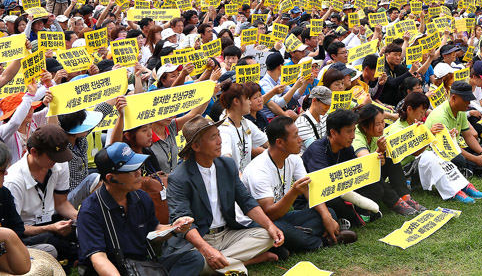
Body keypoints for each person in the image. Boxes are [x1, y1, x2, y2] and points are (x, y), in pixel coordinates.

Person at [163, 117, 284, 275]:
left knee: (267, 235)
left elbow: (246, 201)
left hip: (226, 234)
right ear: (196, 146)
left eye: (218, 134)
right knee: (195, 259)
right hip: (198, 239)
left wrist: (270, 226)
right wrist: (206, 249)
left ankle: (219, 261)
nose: (220, 141)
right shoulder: (179, 177)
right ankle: (242, 260)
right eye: (213, 137)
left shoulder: (227, 165)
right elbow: (184, 222)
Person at [76, 143, 202, 276]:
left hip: (142, 267)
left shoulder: (141, 197)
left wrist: (173, 228)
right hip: (112, 270)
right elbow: (99, 258)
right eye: (131, 170)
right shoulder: (90, 210)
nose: (139, 173)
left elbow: (154, 230)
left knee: (194, 258)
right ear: (111, 178)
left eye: (139, 167)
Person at [241, 117, 356, 254]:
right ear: (280, 142)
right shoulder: (258, 170)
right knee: (283, 229)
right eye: (295, 136)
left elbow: (310, 190)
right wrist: (293, 193)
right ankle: (322, 242)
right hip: (257, 222)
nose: (300, 139)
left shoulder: (293, 157)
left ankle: (287, 243)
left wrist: (326, 217)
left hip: (281, 217)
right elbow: (269, 214)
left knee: (329, 212)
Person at [5, 125, 79, 266]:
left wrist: (80, 218)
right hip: (27, 230)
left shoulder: (59, 165)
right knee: (50, 241)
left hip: (53, 221)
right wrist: (49, 228)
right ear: (33, 152)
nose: (56, 161)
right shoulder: (13, 181)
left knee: (85, 229)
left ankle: (76, 258)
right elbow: (14, 229)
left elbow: (61, 202)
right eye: (52, 157)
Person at [352, 104, 423, 216]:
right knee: (375, 172)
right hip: (357, 182)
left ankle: (405, 197)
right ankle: (396, 202)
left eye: (383, 122)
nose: (382, 126)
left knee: (391, 160)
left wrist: (416, 132)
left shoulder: (377, 133)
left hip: (371, 174)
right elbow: (366, 162)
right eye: (377, 124)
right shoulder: (356, 136)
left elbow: (396, 147)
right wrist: (379, 152)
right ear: (364, 127)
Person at [424, 81, 482, 176]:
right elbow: (449, 147)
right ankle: (472, 167)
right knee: (459, 159)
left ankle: (470, 167)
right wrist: (476, 159)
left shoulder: (461, 111)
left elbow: (468, 135)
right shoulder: (440, 116)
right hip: (440, 152)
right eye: (465, 100)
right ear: (454, 98)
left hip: (454, 147)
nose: (468, 103)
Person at [217, 82, 268, 173]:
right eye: (247, 99)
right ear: (236, 101)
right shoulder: (224, 130)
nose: (250, 102)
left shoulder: (246, 123)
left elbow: (268, 143)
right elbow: (226, 160)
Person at [295, 86, 331, 153]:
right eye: (325, 104)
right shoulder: (302, 123)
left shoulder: (325, 117)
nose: (328, 107)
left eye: (329, 104)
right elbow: (314, 150)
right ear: (314, 100)